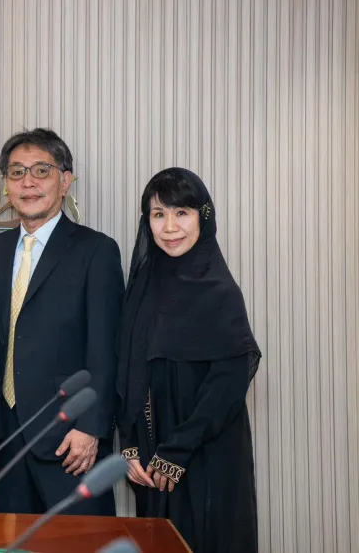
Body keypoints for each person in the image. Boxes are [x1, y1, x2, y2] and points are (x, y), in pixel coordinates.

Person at [0, 128, 123, 515]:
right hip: (3, 442)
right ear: (5, 184)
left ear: (65, 180)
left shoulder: (96, 251)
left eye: (41, 171)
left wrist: (91, 427)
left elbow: (105, 348)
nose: (28, 183)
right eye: (16, 172)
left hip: (69, 440)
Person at [116, 168, 260, 552]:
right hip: (151, 456)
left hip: (205, 450)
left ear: (203, 217)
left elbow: (228, 384)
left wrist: (175, 451)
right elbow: (127, 368)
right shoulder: (142, 288)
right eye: (158, 214)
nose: (169, 227)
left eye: (182, 213)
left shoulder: (220, 292)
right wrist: (129, 444)